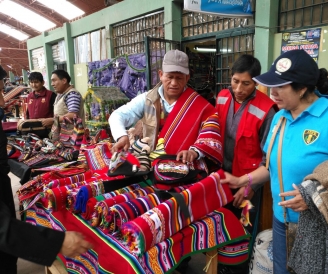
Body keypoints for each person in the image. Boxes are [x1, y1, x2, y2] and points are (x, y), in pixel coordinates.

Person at [220, 50, 328, 274]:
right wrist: (243, 179)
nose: (272, 92)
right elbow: (271, 166)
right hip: (282, 221)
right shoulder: (280, 118)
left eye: (280, 87)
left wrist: (315, 197)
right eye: (271, 85)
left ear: (303, 88)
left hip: (321, 228)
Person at [0, 65, 92, 273]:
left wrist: (51, 121)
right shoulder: (55, 95)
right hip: (61, 142)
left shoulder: (70, 95)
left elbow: (72, 115)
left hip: (71, 143)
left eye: (55, 80)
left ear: (65, 80)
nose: (3, 101)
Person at [216, 54, 277, 274]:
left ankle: (238, 269)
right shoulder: (222, 97)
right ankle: (220, 265)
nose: (239, 88)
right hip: (222, 178)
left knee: (243, 229)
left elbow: (268, 157)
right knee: (220, 224)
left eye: (246, 83)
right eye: (235, 81)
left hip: (248, 185)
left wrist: (251, 186)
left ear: (257, 83)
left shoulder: (267, 109)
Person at [109, 49, 223, 166]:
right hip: (152, 166)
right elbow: (117, 116)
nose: (173, 83)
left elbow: (211, 133)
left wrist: (195, 151)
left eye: (179, 78)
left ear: (187, 78)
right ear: (161, 75)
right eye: (170, 77)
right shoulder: (147, 99)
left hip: (185, 168)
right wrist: (121, 136)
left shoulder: (198, 105)